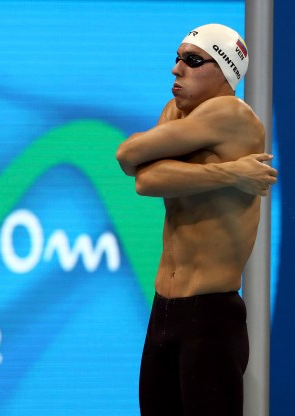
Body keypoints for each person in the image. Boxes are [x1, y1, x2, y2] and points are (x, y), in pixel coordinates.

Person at [115, 24, 278, 415]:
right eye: (177, 58)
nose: (176, 70)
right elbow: (143, 177)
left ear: (226, 73)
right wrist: (230, 173)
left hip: (209, 318)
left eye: (192, 61)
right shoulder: (178, 111)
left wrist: (207, 173)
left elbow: (133, 161)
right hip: (164, 311)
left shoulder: (232, 114)